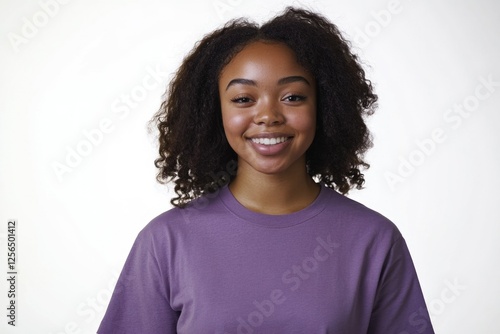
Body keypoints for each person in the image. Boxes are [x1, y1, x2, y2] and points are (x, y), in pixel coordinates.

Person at [98, 7, 434, 334]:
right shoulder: (166, 242)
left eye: (293, 96)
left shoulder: (374, 240)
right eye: (244, 99)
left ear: (325, 106)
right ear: (214, 112)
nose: (269, 115)